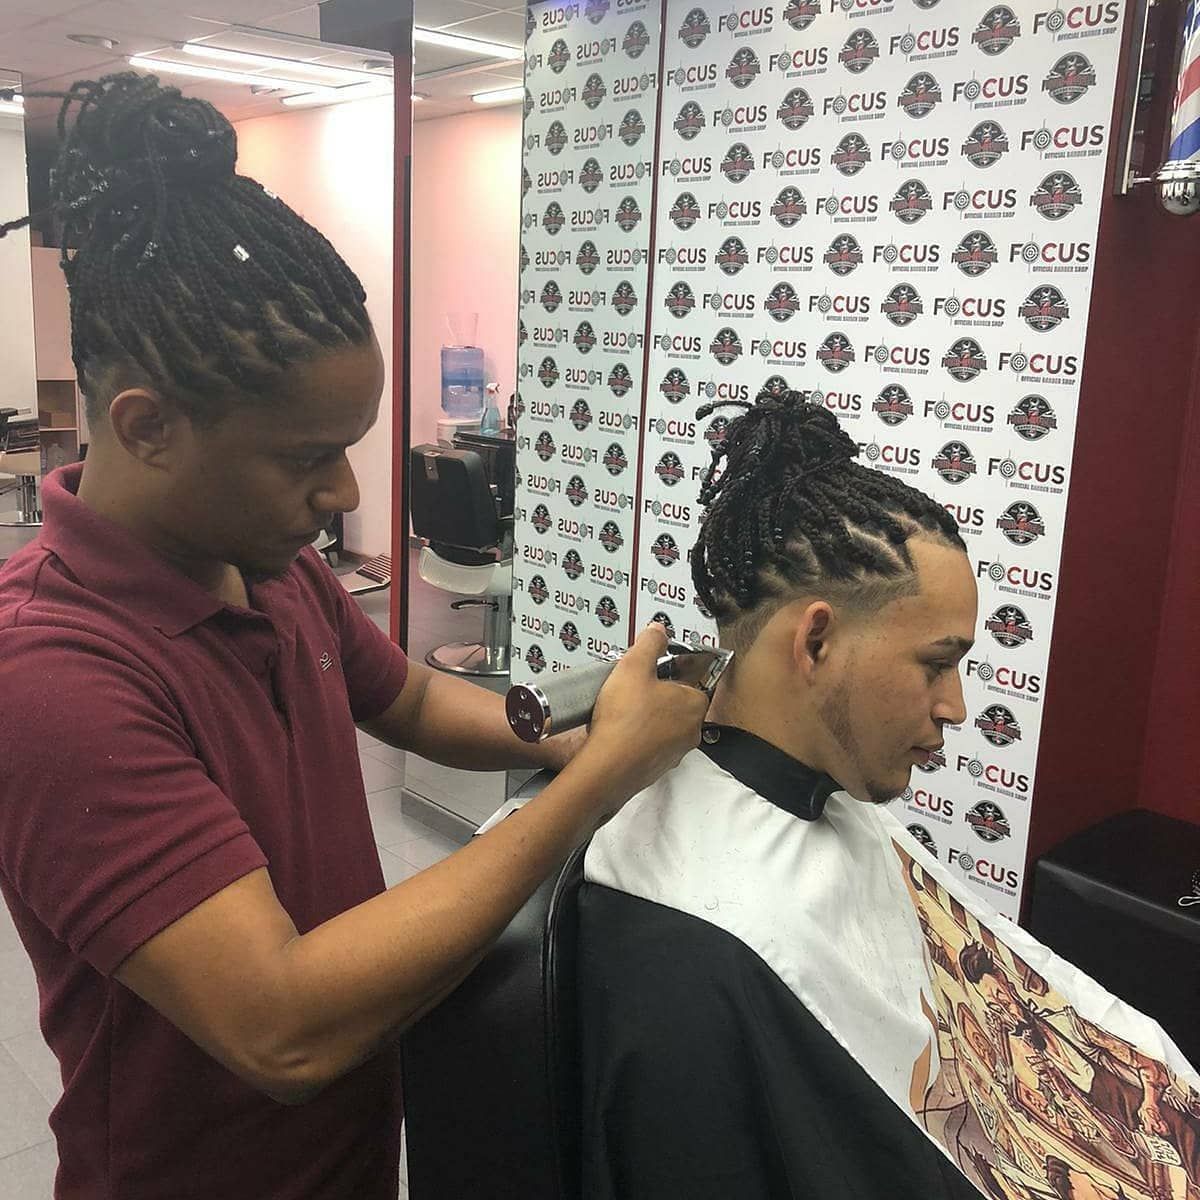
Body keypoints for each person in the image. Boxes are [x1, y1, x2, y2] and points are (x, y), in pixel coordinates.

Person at [0, 74, 708, 1200]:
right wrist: (592, 787)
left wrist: (567, 742)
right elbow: (281, 1026)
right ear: (150, 427)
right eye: (305, 456)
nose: (343, 492)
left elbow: (414, 704)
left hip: (353, 1155)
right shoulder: (50, 680)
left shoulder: (266, 567)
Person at [577, 391, 1200, 1199]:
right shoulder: (684, 946)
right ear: (817, 640)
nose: (957, 707)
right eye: (936, 663)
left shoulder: (826, 813)